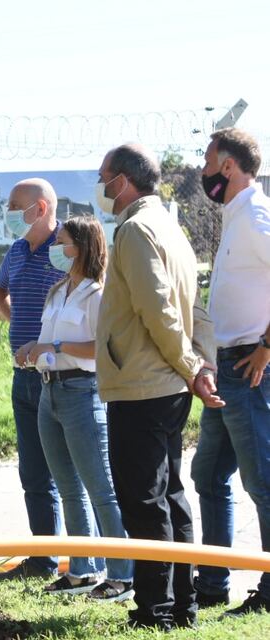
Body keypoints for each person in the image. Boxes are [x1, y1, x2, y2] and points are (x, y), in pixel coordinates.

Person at [94, 143, 220, 630]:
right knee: (168, 496)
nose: (102, 188)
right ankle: (179, 603)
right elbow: (196, 308)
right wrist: (197, 366)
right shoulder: (170, 227)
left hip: (145, 384)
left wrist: (193, 366)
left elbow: (161, 310)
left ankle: (157, 610)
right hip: (164, 381)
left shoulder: (135, 229)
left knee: (145, 502)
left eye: (105, 177)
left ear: (123, 180)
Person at [17, 216, 134, 601]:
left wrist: (58, 349)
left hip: (82, 394)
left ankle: (122, 574)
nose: (56, 248)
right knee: (69, 488)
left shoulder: (99, 295)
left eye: (62, 242)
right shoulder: (58, 291)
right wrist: (32, 350)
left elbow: (101, 349)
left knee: (101, 488)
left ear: (81, 247)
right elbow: (49, 342)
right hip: (49, 393)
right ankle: (83, 570)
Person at [190, 128, 270, 617]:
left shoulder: (256, 216)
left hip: (248, 368)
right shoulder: (236, 216)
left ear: (227, 166)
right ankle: (213, 582)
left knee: (262, 483)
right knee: (210, 474)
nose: (201, 169)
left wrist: (267, 346)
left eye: (206, 158)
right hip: (226, 368)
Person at [0, 178, 64, 581]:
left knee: (71, 474)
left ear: (40, 208)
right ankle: (44, 559)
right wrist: (17, 324)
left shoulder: (68, 251)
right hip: (24, 378)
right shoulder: (16, 252)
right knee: (34, 473)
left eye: (16, 207)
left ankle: (92, 560)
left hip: (60, 377)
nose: (10, 215)